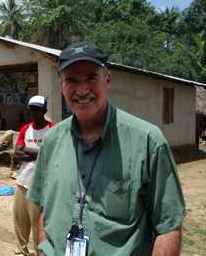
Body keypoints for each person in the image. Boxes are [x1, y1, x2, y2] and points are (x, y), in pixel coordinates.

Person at [27, 42, 185, 256]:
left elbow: (168, 227)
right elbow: (43, 206)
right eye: (72, 80)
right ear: (61, 85)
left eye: (91, 77)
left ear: (107, 79)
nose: (82, 90)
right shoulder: (52, 140)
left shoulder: (148, 141)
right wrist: (43, 247)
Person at [13, 95, 54, 256]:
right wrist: (39, 153)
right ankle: (21, 251)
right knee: (20, 222)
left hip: (41, 187)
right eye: (31, 109)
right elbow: (16, 153)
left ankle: (39, 253)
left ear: (45, 110)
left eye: (37, 109)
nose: (34, 112)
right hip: (22, 181)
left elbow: (52, 155)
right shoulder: (26, 128)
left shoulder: (52, 129)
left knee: (38, 226)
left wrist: (29, 152)